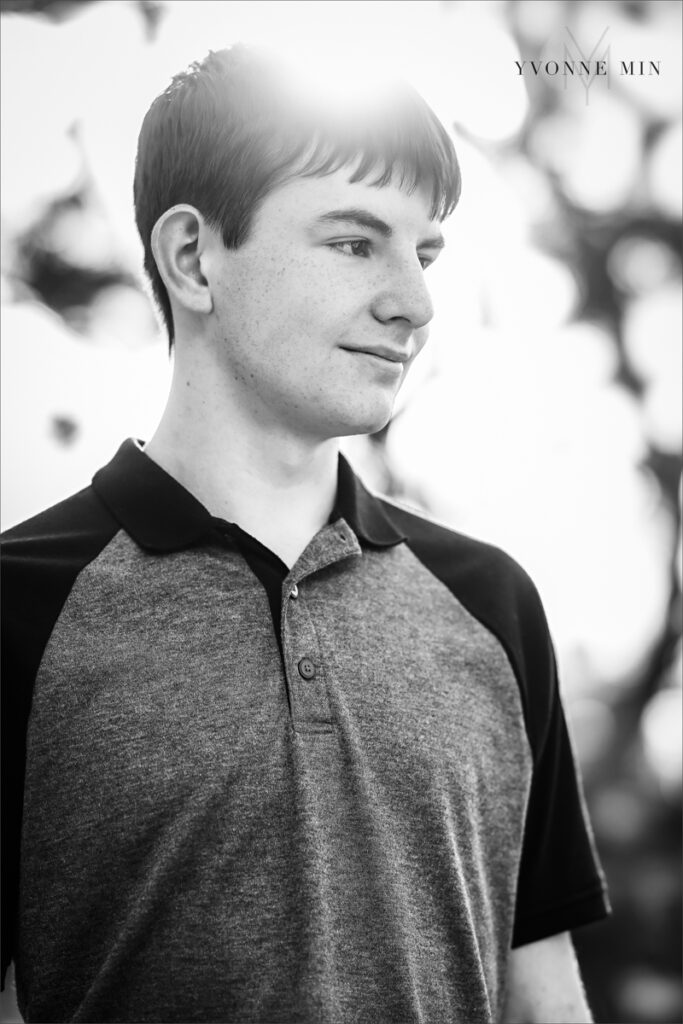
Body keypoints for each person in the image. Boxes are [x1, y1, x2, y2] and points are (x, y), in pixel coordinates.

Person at [1, 44, 610, 1024]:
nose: (413, 303)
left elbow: (542, 1000)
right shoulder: (19, 608)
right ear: (193, 257)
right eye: (354, 242)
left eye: (425, 251)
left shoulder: (491, 605)